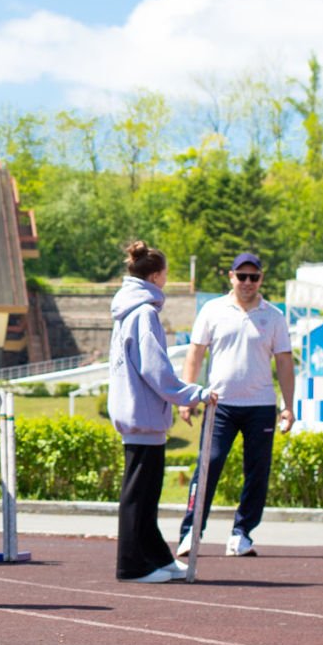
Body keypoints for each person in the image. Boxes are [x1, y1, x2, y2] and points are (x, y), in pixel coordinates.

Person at [176, 251, 294, 559]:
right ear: (231, 277)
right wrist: (188, 397)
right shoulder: (213, 310)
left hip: (260, 405)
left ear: (261, 279)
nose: (247, 282)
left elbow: (284, 362)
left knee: (257, 472)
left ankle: (242, 533)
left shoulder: (273, 316)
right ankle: (191, 532)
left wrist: (288, 405)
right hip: (220, 404)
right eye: (242, 276)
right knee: (209, 465)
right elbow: (195, 354)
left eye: (253, 277)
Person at [109, 241, 208, 583]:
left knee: (146, 495)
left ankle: (156, 556)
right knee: (139, 495)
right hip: (143, 416)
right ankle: (132, 565)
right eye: (165, 274)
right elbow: (155, 369)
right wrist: (192, 394)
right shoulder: (144, 313)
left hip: (137, 414)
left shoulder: (129, 310)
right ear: (155, 276)